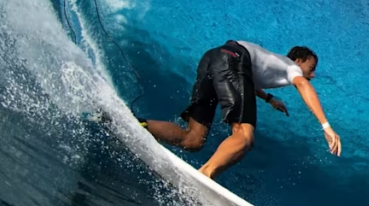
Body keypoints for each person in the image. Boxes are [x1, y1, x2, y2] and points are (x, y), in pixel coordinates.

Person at [140, 40, 341, 179]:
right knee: (245, 136)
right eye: (312, 67)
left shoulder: (270, 61)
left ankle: (141, 125)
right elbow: (303, 85)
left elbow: (242, 79)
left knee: (193, 140)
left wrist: (269, 98)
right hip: (234, 58)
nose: (312, 74)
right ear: (299, 60)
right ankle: (206, 174)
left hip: (213, 57)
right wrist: (326, 127)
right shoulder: (291, 67)